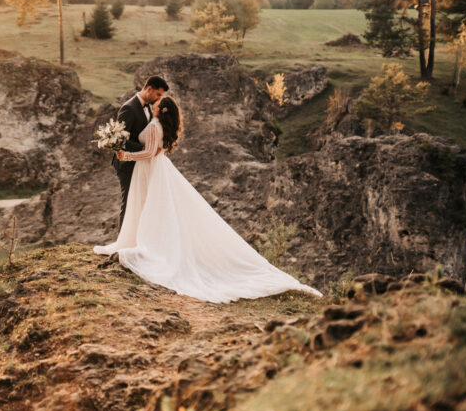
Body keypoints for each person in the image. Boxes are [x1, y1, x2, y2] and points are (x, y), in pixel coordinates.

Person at [96, 96, 322, 304]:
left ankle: (150, 246)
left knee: (151, 207)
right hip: (154, 169)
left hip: (150, 168)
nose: (153, 104)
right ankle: (143, 240)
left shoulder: (155, 126)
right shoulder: (160, 125)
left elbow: (150, 153)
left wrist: (126, 155)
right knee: (152, 207)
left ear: (159, 109)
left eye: (157, 104)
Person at [112, 75, 168, 228]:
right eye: (158, 94)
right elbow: (120, 139)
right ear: (149, 89)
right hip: (126, 164)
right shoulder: (129, 108)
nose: (159, 98)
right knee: (129, 203)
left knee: (141, 203)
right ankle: (123, 240)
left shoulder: (149, 107)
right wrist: (146, 150)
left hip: (141, 162)